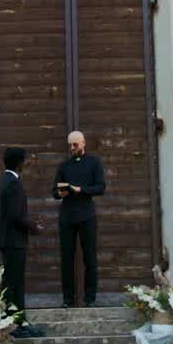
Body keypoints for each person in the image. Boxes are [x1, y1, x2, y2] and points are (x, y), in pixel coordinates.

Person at [51, 131, 106, 307]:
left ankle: (90, 299)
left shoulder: (94, 162)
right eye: (70, 145)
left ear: (83, 143)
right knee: (67, 259)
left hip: (87, 216)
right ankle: (68, 299)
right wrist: (60, 193)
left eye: (75, 144)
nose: (72, 148)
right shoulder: (64, 165)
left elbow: (100, 187)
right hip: (66, 217)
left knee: (90, 258)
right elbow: (54, 191)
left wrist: (81, 190)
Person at [0, 147, 45, 338]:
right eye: (24, 160)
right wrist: (34, 227)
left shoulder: (6, 181)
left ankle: (13, 320)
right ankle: (17, 324)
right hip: (14, 241)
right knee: (15, 284)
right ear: (19, 162)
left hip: (10, 241)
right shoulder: (14, 183)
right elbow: (16, 215)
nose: (26, 163)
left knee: (11, 283)